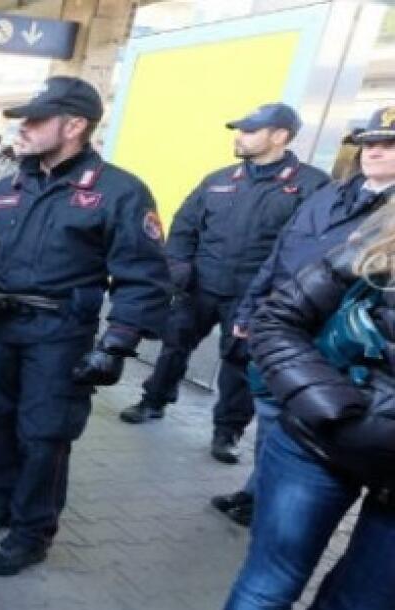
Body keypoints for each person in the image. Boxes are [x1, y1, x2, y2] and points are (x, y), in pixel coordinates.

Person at [0, 76, 171, 576]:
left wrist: (116, 343)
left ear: (74, 125)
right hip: (1, 324)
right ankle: (1, 500)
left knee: (44, 435)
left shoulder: (119, 191)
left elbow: (144, 277)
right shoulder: (9, 185)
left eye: (35, 119)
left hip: (59, 333)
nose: (23, 129)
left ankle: (32, 532)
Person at [224, 115, 395, 609]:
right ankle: (251, 492)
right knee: (269, 582)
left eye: (389, 144)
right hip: (321, 421)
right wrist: (320, 395)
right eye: (371, 142)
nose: (375, 151)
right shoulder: (340, 204)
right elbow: (281, 265)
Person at [119, 104, 330, 464]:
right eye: (240, 130)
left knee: (240, 363)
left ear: (279, 135)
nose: (239, 136)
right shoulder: (218, 179)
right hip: (200, 285)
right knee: (174, 345)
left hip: (254, 293)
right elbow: (185, 223)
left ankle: (227, 432)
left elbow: (304, 246)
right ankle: (153, 402)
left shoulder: (311, 186)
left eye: (250, 130)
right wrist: (179, 264)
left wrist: (275, 294)